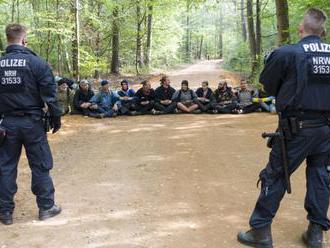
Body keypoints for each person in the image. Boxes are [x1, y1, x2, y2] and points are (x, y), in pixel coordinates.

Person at [237, 8, 330, 248]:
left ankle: (260, 231)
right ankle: (315, 234)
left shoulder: (288, 53)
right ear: (323, 31)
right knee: (321, 176)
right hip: (326, 130)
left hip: (295, 129)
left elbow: (268, 87)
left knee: (276, 174)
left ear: (301, 29)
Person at [0, 24, 62, 225]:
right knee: (40, 164)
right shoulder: (36, 63)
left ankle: (5, 212)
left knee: (5, 167)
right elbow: (50, 94)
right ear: (24, 39)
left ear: (7, 39)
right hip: (32, 123)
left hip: (6, 124)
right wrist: (56, 117)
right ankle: (46, 207)